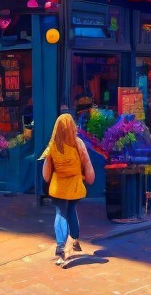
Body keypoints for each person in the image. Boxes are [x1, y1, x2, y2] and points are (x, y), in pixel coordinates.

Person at [41, 113, 96, 266]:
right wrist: (90, 177)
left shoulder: (52, 145)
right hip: (75, 186)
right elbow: (87, 163)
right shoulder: (78, 143)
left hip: (58, 186)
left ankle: (61, 245)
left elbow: (46, 172)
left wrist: (47, 178)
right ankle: (74, 239)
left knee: (60, 212)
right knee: (71, 210)